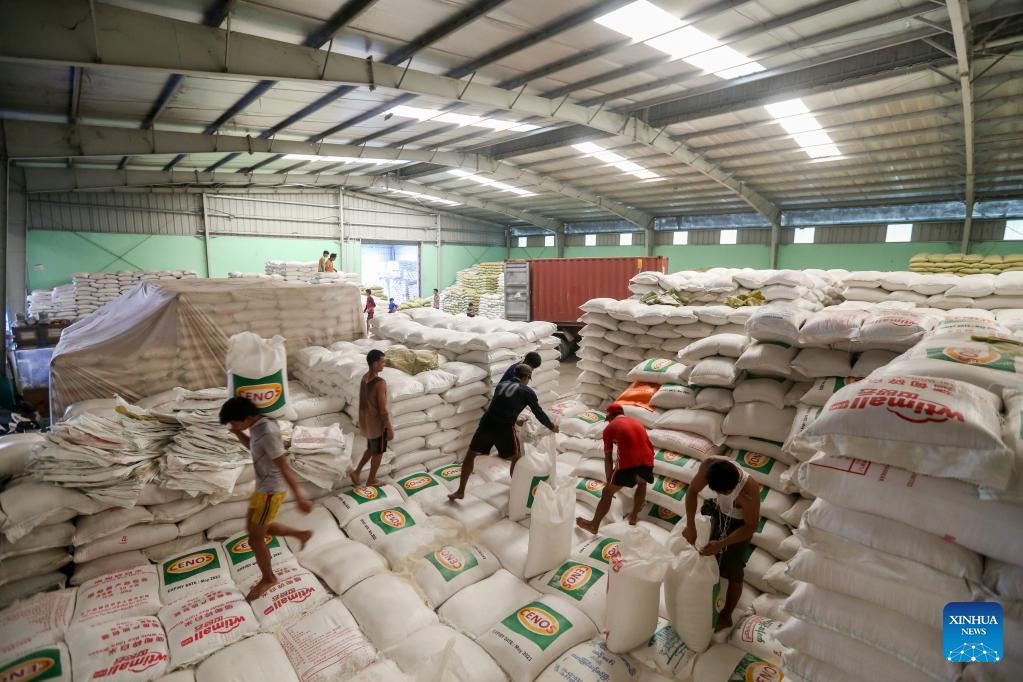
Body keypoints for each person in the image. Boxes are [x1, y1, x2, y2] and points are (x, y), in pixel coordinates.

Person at [220, 397, 313, 601]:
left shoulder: (268, 431)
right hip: (262, 489)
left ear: (247, 417)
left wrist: (299, 497)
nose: (233, 425)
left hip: (271, 492)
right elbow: (253, 447)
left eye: (235, 422)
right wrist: (237, 432)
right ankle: (301, 534)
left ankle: (269, 578)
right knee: (257, 528)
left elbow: (284, 466)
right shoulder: (256, 425)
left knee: (255, 539)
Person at [448, 364, 558, 501]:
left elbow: (502, 405)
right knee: (516, 457)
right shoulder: (527, 391)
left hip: (486, 424)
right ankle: (517, 491)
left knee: (471, 455)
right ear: (526, 377)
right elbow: (538, 412)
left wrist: (516, 418)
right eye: (528, 379)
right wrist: (551, 426)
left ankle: (460, 491)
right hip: (504, 427)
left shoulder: (501, 385)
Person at [681, 456, 761, 632]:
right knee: (709, 554)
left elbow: (751, 526)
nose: (723, 495)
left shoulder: (748, 490)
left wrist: (723, 543)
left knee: (734, 568)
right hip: (721, 513)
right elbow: (692, 491)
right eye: (719, 492)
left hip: (740, 525)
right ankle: (706, 592)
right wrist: (690, 525)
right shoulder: (710, 465)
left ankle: (726, 615)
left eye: (726, 492)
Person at [576, 402, 654, 533]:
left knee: (607, 492)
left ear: (610, 417)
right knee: (642, 483)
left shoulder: (610, 428)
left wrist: (609, 481)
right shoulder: (637, 422)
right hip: (648, 459)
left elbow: (608, 457)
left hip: (628, 463)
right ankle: (634, 516)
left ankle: (594, 525)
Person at [352, 349, 393, 486]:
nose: (384, 364)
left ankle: (356, 472)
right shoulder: (380, 382)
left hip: (367, 421)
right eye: (382, 362)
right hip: (377, 423)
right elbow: (383, 409)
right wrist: (389, 427)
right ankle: (371, 480)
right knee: (378, 451)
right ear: (375, 363)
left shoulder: (365, 378)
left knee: (371, 448)